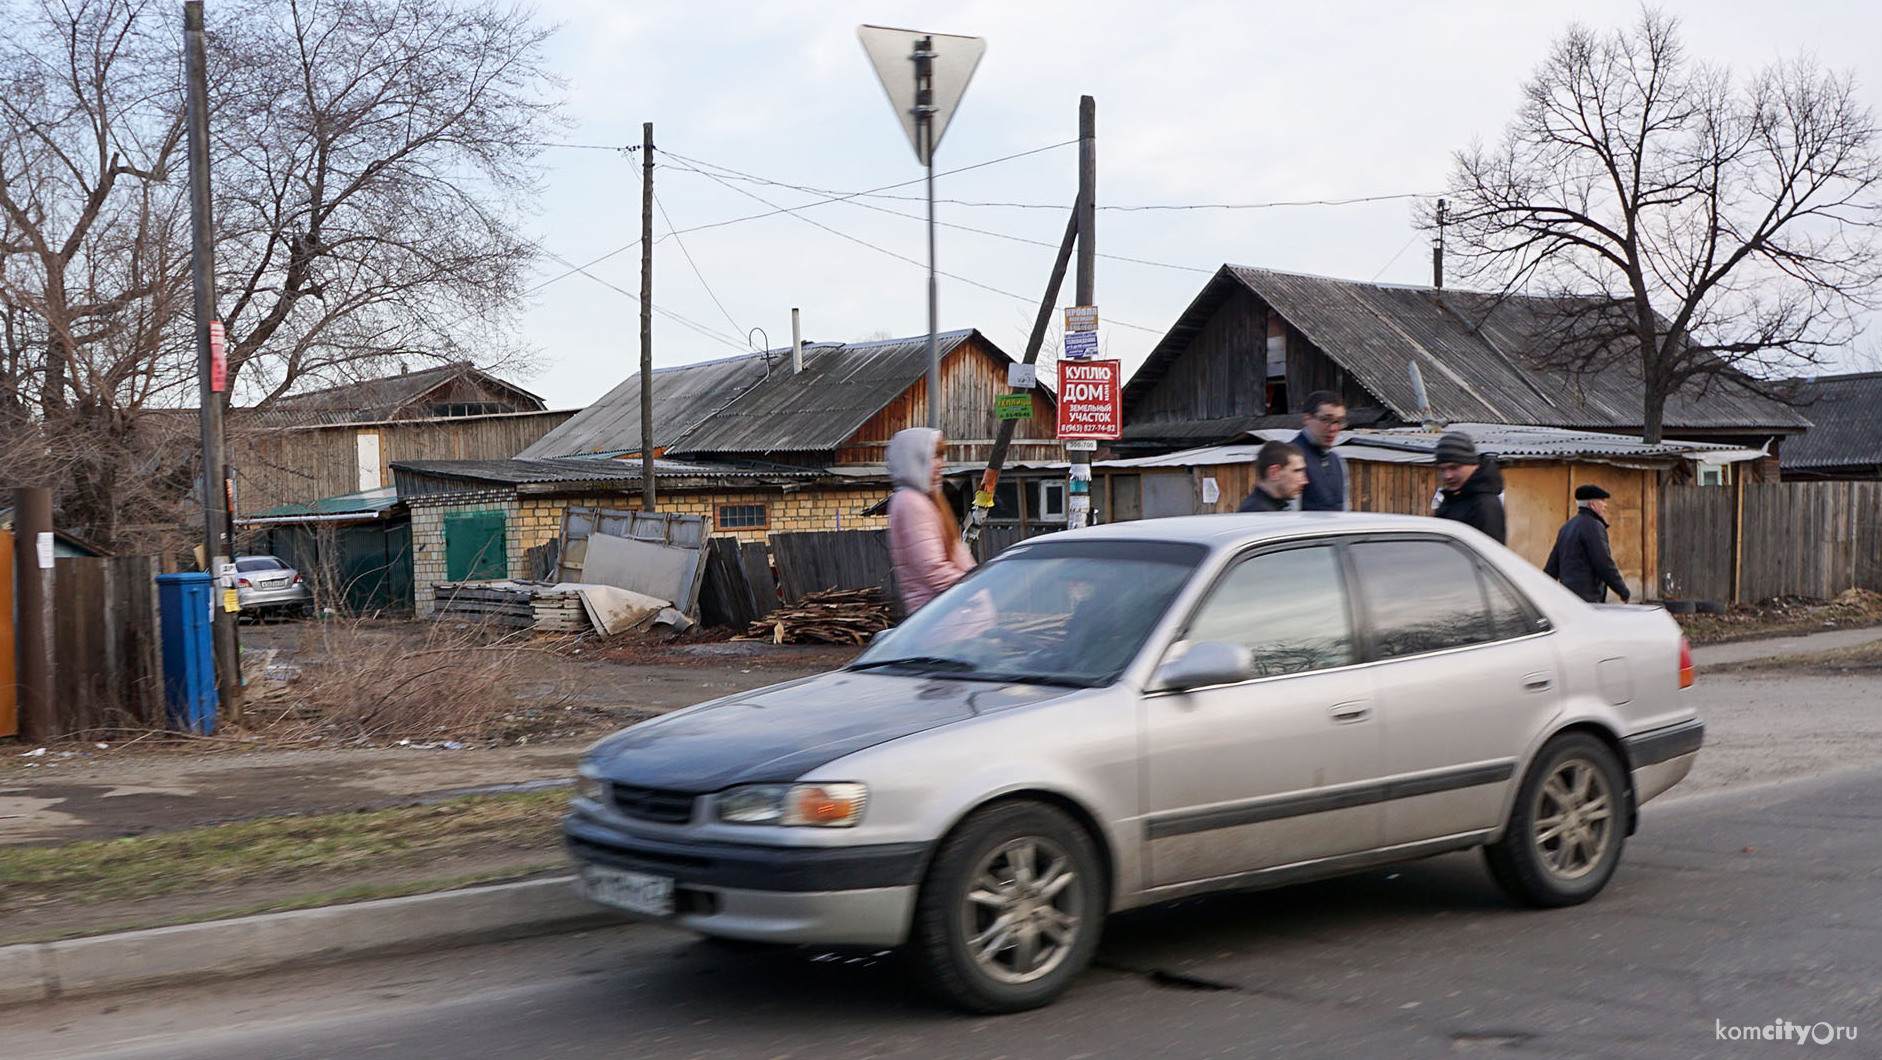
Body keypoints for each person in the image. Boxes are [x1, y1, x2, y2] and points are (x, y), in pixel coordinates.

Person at [887, 427, 975, 613]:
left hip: (950, 618)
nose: (940, 464)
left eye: (941, 456)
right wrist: (975, 589)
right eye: (934, 456)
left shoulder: (926, 500)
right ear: (913, 458)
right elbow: (934, 570)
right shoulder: (911, 502)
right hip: (943, 621)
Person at [1544, 484, 1632, 602]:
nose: (1605, 505)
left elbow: (1552, 567)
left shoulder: (1567, 527)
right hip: (1587, 599)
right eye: (1602, 500)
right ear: (1592, 504)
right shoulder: (1593, 526)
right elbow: (1604, 563)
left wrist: (1542, 593)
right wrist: (1623, 592)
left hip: (1567, 598)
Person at [1432, 430, 1507, 544]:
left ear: (1473, 465)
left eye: (1454, 468)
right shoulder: (1454, 498)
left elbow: (1486, 555)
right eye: (1442, 469)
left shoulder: (1484, 505)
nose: (1447, 476)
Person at [1291, 391, 1348, 511]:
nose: (1333, 428)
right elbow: (1290, 518)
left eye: (1338, 421)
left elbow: (1344, 514)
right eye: (1325, 420)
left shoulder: (1337, 461)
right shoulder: (1289, 458)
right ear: (1307, 418)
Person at [1236, 441, 1307, 512]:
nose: (1304, 481)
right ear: (1274, 473)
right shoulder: (1259, 514)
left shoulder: (1274, 509)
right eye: (1297, 471)